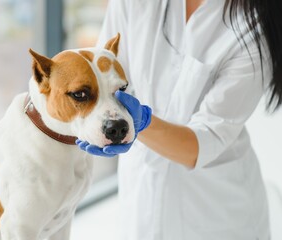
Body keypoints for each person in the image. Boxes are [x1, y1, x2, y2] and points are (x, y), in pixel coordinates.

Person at [77, 0, 282, 239]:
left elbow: (202, 142)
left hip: (218, 213)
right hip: (140, 202)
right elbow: (105, 70)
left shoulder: (253, 27)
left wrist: (141, 123)